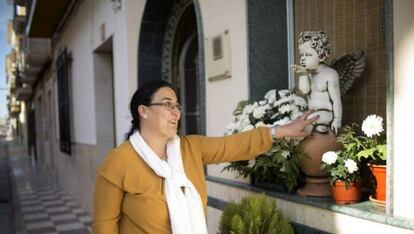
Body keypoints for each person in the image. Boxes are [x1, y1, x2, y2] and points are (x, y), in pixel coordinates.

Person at [92, 80, 318, 234]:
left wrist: (280, 131)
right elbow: (104, 226)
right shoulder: (118, 161)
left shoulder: (190, 148)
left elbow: (233, 145)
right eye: (167, 104)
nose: (175, 112)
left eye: (177, 106)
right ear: (143, 111)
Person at [294, 31, 342, 134]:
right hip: (313, 113)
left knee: (305, 124)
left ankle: (301, 143)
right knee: (296, 121)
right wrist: (303, 74)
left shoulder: (330, 74)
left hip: (327, 113)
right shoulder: (308, 74)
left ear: (321, 56)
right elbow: (304, 90)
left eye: (308, 55)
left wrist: (337, 120)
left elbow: (336, 100)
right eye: (302, 55)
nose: (303, 58)